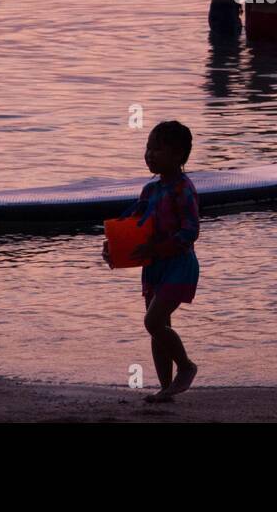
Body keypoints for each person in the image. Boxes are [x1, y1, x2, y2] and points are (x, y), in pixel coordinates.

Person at [103, 121, 200, 403]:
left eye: (157, 149)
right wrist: (113, 246)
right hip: (154, 266)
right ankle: (166, 389)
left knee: (153, 322)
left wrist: (159, 248)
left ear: (178, 154)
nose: (149, 154)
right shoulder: (150, 190)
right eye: (148, 147)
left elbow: (191, 231)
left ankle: (186, 366)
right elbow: (132, 223)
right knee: (158, 329)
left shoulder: (184, 189)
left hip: (179, 266)